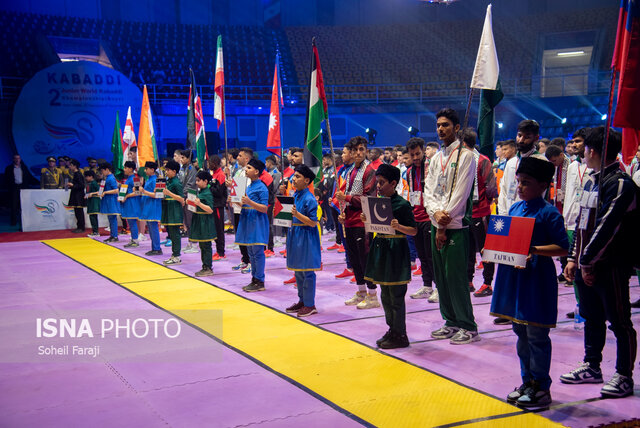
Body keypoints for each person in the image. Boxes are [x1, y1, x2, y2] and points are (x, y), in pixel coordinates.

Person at [560, 127, 637, 398]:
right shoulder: (592, 180)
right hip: (586, 264)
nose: (583, 154)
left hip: (611, 265)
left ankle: (624, 375)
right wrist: (573, 258)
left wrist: (588, 261)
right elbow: (581, 223)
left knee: (619, 321)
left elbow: (608, 228)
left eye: (584, 149)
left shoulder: (621, 184)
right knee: (591, 318)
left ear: (593, 151)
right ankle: (592, 366)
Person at [490, 156, 568, 407]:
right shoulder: (514, 209)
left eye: (527, 183)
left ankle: (542, 386)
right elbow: (505, 240)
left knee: (536, 335)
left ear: (543, 185)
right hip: (515, 278)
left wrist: (534, 249)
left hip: (537, 280)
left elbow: (562, 247)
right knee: (520, 331)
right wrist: (491, 248)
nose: (520, 187)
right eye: (519, 182)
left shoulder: (549, 213)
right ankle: (528, 381)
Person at [424, 108, 478, 345]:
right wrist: (435, 214)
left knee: (455, 278)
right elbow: (429, 191)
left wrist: (445, 219)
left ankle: (468, 326)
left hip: (456, 224)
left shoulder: (466, 156)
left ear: (457, 128)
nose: (440, 129)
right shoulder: (436, 158)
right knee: (441, 278)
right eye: (438, 125)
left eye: (445, 125)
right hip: (437, 223)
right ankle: (451, 321)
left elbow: (461, 193)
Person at [363, 164, 417, 349]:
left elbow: (414, 230)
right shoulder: (377, 202)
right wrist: (366, 221)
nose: (378, 186)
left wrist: (399, 227)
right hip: (382, 249)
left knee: (396, 295)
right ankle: (392, 329)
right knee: (385, 295)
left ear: (393, 183)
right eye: (377, 182)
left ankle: (401, 334)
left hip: (396, 251)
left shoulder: (402, 204)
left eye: (382, 183)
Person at [337, 136, 379, 309]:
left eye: (362, 149)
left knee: (365, 259)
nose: (359, 153)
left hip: (363, 221)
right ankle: (361, 291)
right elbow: (345, 195)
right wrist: (343, 213)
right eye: (355, 150)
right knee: (354, 259)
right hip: (350, 221)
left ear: (366, 151)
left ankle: (372, 295)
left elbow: (369, 198)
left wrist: (346, 198)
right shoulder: (348, 171)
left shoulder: (369, 171)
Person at [460, 130, 498, 297]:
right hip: (464, 213)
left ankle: (487, 283)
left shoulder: (483, 161)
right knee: (467, 249)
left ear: (463, 143)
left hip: (480, 211)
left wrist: (485, 202)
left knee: (485, 249)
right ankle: (468, 280)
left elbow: (491, 188)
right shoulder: (460, 160)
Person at [285, 165, 322, 317]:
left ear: (307, 180)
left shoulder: (310, 198)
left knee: (307, 272)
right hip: (295, 233)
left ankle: (310, 304)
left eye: (298, 176)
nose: (293, 179)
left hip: (306, 236)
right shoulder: (296, 195)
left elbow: (313, 222)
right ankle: (302, 300)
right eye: (294, 176)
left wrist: (297, 215)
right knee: (298, 271)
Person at [404, 137, 436, 302]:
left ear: (423, 150)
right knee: (422, 256)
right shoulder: (409, 171)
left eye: (418, 153)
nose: (415, 157)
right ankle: (427, 286)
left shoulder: (432, 167)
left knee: (432, 256)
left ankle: (438, 288)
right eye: (412, 154)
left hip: (430, 217)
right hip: (416, 217)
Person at [236, 159, 270, 292]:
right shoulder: (249, 186)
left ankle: (260, 280)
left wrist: (249, 201)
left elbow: (264, 208)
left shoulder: (262, 187)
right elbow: (246, 204)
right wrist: (236, 201)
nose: (246, 169)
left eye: (249, 168)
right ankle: (254, 278)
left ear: (256, 171)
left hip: (257, 221)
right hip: (248, 220)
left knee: (257, 253)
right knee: (251, 253)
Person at [498, 120, 541, 216]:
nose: (521, 140)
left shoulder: (540, 161)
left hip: (528, 217)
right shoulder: (511, 162)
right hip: (508, 214)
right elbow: (503, 190)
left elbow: (539, 196)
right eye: (519, 135)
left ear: (536, 138)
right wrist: (503, 214)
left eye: (527, 137)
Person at [228, 147, 253, 273]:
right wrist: (230, 187)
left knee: (248, 235)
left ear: (246, 158)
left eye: (239, 156)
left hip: (247, 208)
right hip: (237, 208)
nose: (237, 158)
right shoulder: (238, 172)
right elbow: (235, 188)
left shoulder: (252, 173)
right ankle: (244, 259)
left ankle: (251, 261)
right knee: (240, 235)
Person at [190, 170, 217, 277]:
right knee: (202, 246)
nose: (196, 183)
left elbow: (210, 209)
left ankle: (208, 267)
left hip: (205, 222)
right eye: (196, 180)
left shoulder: (207, 193)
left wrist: (199, 203)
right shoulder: (200, 192)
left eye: (198, 180)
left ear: (205, 181)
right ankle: (204, 266)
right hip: (199, 220)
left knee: (206, 246)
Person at [161, 160, 184, 265]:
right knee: (171, 234)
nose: (166, 172)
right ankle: (174, 255)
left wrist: (169, 193)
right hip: (168, 209)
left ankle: (177, 256)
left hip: (175, 211)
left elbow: (181, 199)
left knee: (175, 235)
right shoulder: (169, 181)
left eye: (168, 170)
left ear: (174, 171)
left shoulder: (176, 182)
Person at [138, 161, 163, 256]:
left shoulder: (156, 180)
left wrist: (144, 191)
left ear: (152, 169)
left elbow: (158, 195)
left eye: (146, 169)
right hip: (147, 205)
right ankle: (154, 247)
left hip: (153, 206)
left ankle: (157, 248)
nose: (145, 170)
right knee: (151, 228)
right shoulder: (148, 179)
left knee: (153, 228)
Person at [5, 154, 36, 226]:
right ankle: (13, 222)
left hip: (23, 188)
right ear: (13, 159)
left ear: (20, 159)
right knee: (14, 206)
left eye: (18, 158)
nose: (17, 160)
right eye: (15, 158)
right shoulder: (9, 168)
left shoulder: (24, 167)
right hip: (14, 188)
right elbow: (6, 180)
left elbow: (29, 177)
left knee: (24, 205)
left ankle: (25, 221)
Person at [178, 149, 198, 254]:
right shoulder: (184, 168)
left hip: (190, 197)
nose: (181, 160)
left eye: (183, 158)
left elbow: (190, 185)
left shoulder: (192, 169)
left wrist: (183, 195)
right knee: (186, 221)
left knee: (191, 221)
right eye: (180, 157)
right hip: (184, 198)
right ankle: (190, 242)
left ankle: (194, 244)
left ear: (189, 158)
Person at [208, 155, 228, 261]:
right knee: (215, 229)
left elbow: (219, 192)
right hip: (213, 205)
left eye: (210, 162)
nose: (208, 165)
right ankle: (217, 250)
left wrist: (209, 186)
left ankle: (221, 252)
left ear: (215, 163)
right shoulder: (213, 174)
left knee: (219, 230)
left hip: (218, 205)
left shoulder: (220, 175)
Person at [121, 161, 141, 247]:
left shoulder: (135, 179)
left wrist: (127, 196)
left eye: (125, 168)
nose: (124, 169)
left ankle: (135, 240)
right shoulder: (128, 179)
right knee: (130, 221)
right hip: (128, 202)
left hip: (133, 202)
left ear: (130, 169)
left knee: (132, 221)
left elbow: (138, 192)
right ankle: (133, 239)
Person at [66, 159, 86, 233]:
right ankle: (79, 226)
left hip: (78, 196)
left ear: (75, 166)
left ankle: (81, 227)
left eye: (71, 165)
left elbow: (81, 185)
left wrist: (72, 185)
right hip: (75, 195)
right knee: (77, 212)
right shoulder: (75, 174)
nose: (69, 167)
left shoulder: (78, 174)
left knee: (79, 212)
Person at [84, 170, 100, 236]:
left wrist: (92, 193)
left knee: (93, 217)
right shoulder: (89, 183)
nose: (86, 178)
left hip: (94, 202)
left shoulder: (94, 183)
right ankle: (94, 231)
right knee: (92, 217)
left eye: (87, 177)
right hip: (90, 201)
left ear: (91, 176)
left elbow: (100, 191)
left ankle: (95, 232)